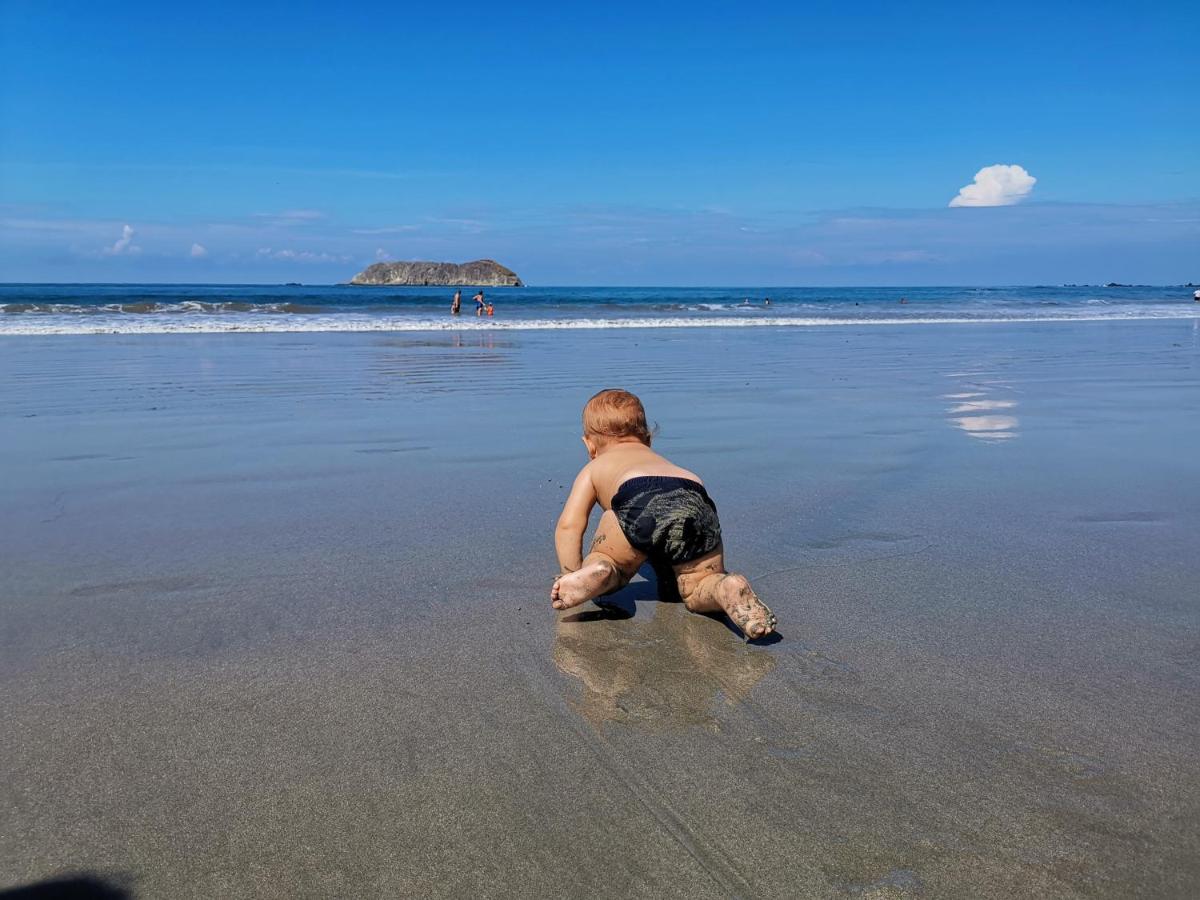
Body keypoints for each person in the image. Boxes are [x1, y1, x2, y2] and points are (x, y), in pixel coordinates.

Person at [550, 389, 777, 640]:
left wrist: (569, 574)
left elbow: (570, 525)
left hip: (636, 495)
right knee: (697, 584)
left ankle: (601, 570)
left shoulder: (595, 467)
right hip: (693, 495)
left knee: (611, 548)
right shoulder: (664, 462)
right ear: (648, 438)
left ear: (589, 444)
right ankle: (724, 588)